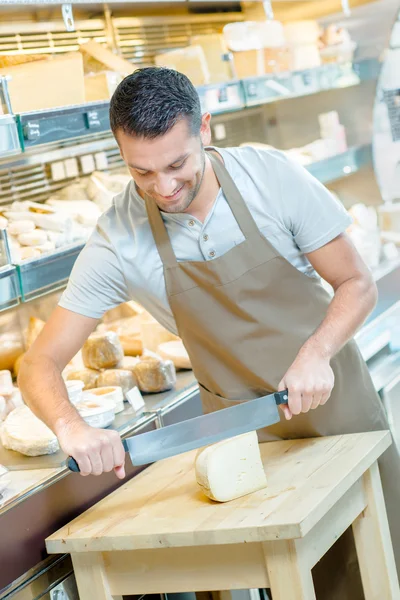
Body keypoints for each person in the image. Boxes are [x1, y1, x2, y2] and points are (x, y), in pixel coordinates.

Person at [19, 67, 400, 598]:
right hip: (241, 445)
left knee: (381, 567)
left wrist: (316, 352)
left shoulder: (271, 178)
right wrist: (71, 427)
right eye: (142, 173)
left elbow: (356, 282)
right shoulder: (120, 236)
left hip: (338, 407)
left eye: (177, 164)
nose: (164, 187)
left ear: (206, 130)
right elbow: (37, 363)